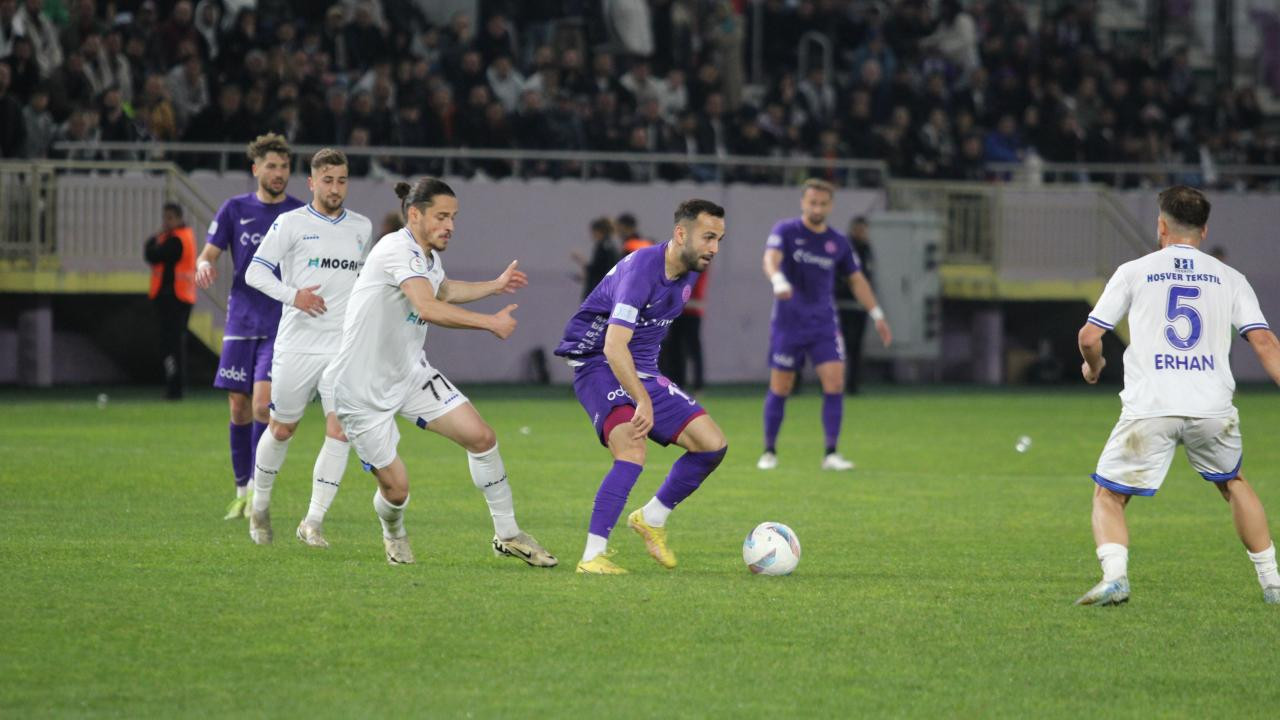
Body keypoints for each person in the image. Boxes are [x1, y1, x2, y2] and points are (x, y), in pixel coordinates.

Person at [326, 177, 556, 567]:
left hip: (411, 375)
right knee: (396, 491)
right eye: (442, 217)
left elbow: (443, 290)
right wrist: (489, 323)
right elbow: (428, 306)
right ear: (415, 215)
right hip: (362, 388)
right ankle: (393, 533)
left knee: (481, 437)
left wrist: (495, 286)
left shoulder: (426, 256)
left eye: (454, 217)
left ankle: (508, 534)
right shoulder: (396, 249)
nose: (450, 225)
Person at [1076, 185, 1280, 606]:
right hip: (1211, 407)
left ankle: (1115, 577)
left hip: (1152, 406)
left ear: (1161, 226)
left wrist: (1094, 367)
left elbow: (1090, 336)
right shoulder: (1230, 278)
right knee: (1233, 483)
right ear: (1204, 230)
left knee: (1109, 495)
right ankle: (1273, 582)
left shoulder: (1135, 271)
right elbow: (1265, 344)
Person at [555, 199, 729, 575]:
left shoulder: (689, 272)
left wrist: (647, 387)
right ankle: (592, 557)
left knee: (712, 444)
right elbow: (613, 346)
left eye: (719, 239)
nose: (714, 248)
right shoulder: (642, 271)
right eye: (708, 237)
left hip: (641, 368)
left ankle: (651, 518)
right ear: (681, 234)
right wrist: (643, 400)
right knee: (632, 446)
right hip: (598, 362)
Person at [244, 149, 372, 547]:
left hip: (343, 348)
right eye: (328, 180)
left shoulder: (362, 227)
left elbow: (366, 285)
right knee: (282, 428)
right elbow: (254, 272)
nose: (335, 188)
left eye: (342, 180)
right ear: (312, 183)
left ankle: (313, 521)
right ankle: (259, 506)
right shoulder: (291, 223)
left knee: (341, 431)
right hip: (298, 345)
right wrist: (293, 296)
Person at [195, 133, 305, 520]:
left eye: (285, 167)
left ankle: (259, 488)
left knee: (262, 405)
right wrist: (203, 265)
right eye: (272, 166)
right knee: (239, 406)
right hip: (241, 319)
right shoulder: (234, 209)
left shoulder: (298, 214)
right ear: (255, 169)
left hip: (280, 322)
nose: (279, 173)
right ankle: (241, 490)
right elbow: (208, 254)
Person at [758, 179, 892, 472]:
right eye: (812, 203)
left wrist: (877, 314)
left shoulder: (837, 242)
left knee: (835, 383)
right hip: (789, 323)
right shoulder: (786, 230)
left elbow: (857, 280)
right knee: (781, 386)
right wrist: (777, 279)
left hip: (823, 325)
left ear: (830, 206)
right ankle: (769, 451)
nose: (817, 208)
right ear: (803, 202)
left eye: (822, 204)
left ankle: (831, 453)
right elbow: (770, 259)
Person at [143, 202, 196, 400]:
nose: (166, 222)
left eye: (170, 218)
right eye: (164, 218)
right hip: (172, 297)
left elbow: (154, 254)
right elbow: (152, 253)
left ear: (179, 218)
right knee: (170, 344)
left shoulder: (177, 239)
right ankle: (173, 386)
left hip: (175, 298)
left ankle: (175, 388)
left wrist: (154, 242)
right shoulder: (174, 237)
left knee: (172, 344)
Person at [836, 216, 874, 394]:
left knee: (856, 348)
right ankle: (834, 383)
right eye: (858, 229)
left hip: (860, 306)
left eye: (863, 230)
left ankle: (853, 385)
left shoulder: (867, 250)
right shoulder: (843, 249)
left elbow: (868, 277)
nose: (861, 233)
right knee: (838, 347)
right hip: (842, 305)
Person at [658, 267, 708, 392]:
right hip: (679, 311)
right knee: (676, 348)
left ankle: (697, 384)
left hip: (691, 311)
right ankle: (680, 383)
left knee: (692, 348)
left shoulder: (696, 267)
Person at [569, 216, 619, 299]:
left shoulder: (603, 247)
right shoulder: (610, 246)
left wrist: (581, 260)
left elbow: (597, 269)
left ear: (598, 231)